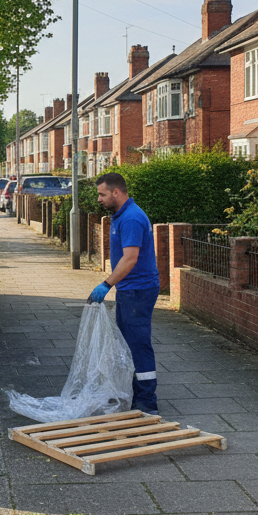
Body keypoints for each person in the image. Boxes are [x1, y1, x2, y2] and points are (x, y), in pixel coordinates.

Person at [87, 172, 160, 415]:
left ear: (116, 192)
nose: (99, 199)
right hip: (130, 290)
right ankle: (135, 393)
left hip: (138, 291)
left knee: (138, 344)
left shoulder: (130, 219)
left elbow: (130, 259)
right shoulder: (121, 215)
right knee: (128, 344)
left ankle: (147, 402)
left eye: (102, 194)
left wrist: (106, 284)